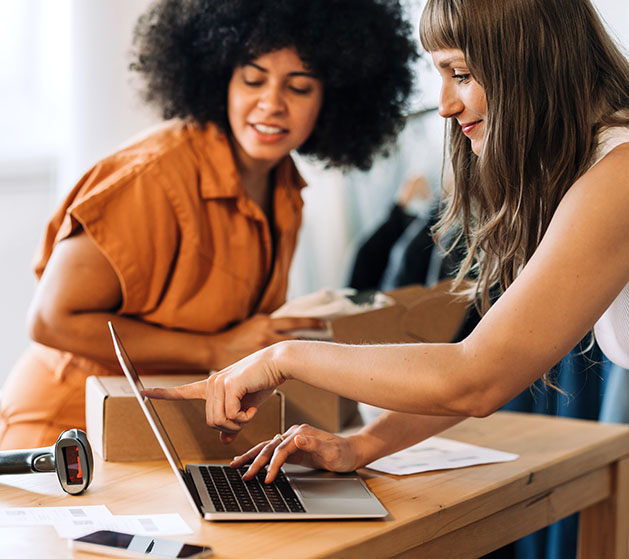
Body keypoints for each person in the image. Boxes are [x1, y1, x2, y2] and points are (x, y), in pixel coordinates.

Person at [146, 0, 629, 487]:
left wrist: (281, 358)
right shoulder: (595, 166)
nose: (444, 105)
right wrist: (360, 446)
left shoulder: (619, 176)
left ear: (531, 62)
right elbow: (494, 359)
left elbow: (478, 378)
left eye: (459, 73)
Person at [0, 0, 418, 449]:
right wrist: (216, 349)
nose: (271, 103)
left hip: (159, 431)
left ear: (331, 97)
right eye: (253, 79)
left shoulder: (285, 188)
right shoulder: (152, 177)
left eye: (298, 87)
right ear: (221, 78)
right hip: (63, 433)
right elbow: (50, 320)